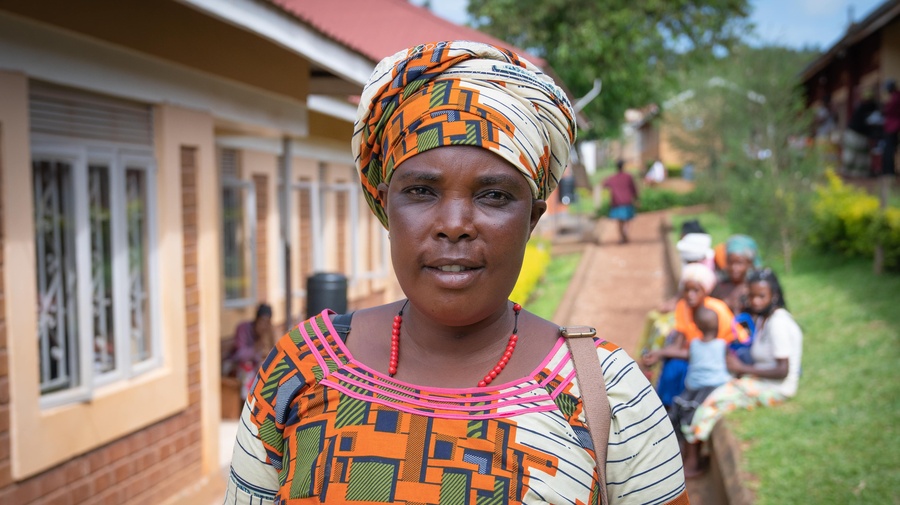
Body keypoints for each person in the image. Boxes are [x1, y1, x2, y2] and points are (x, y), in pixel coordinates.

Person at [225, 41, 689, 505]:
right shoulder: (301, 371)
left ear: (532, 218)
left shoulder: (608, 395)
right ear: (385, 205)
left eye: (494, 196)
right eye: (421, 191)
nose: (453, 225)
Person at [683, 269, 803, 456]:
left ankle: (692, 455)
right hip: (761, 380)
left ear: (774, 296)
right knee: (716, 392)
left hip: (777, 388)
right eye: (752, 296)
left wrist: (743, 368)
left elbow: (782, 370)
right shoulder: (764, 318)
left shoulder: (778, 323)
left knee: (712, 402)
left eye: (761, 296)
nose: (755, 301)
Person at [642, 263, 742, 408]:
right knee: (672, 365)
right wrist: (658, 353)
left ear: (705, 291)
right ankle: (666, 405)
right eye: (687, 290)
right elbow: (678, 343)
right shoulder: (683, 307)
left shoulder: (716, 311)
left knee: (680, 367)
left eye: (696, 290)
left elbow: (710, 350)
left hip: (716, 358)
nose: (690, 295)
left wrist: (662, 352)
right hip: (695, 353)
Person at [668, 307, 732, 478]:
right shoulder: (722, 345)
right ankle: (692, 464)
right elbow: (731, 365)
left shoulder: (694, 344)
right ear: (719, 325)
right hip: (711, 390)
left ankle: (685, 458)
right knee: (694, 421)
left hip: (691, 391)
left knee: (686, 419)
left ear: (696, 326)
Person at [222, 303, 274, 401]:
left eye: (267, 323)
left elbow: (268, 354)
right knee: (247, 370)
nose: (263, 326)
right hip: (233, 366)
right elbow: (240, 355)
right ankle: (246, 403)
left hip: (253, 369)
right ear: (256, 319)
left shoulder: (267, 333)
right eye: (262, 321)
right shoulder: (243, 328)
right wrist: (257, 346)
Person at [710, 234, 761, 315]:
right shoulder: (719, 287)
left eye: (739, 263)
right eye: (730, 262)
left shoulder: (754, 288)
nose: (734, 268)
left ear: (749, 263)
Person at [843, 88, 880, 177]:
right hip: (854, 134)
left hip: (860, 135)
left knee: (860, 156)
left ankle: (858, 173)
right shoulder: (864, 108)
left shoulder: (869, 108)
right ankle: (849, 173)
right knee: (853, 154)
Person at [602, 159, 639, 243]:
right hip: (627, 201)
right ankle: (625, 235)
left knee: (619, 221)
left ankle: (622, 236)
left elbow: (604, 184)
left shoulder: (612, 178)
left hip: (617, 202)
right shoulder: (628, 177)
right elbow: (633, 188)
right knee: (627, 220)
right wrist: (636, 198)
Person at [881, 80, 900, 176]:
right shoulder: (895, 96)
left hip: (892, 127)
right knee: (890, 149)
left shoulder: (896, 98)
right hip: (893, 126)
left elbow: (888, 110)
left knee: (889, 149)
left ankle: (889, 171)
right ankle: (889, 170)